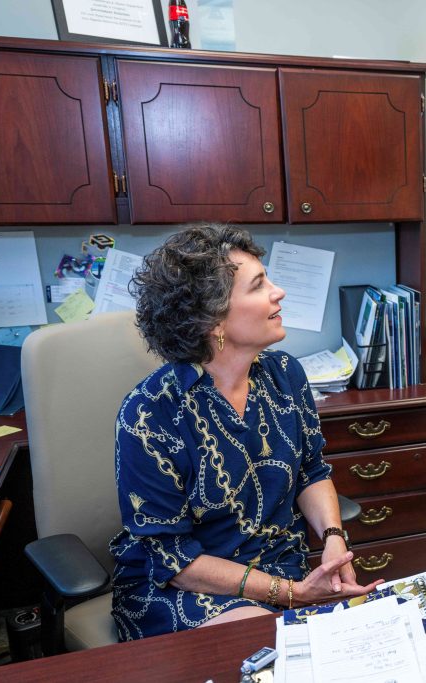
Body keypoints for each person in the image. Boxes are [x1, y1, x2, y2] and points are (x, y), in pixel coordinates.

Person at [110, 224, 381, 640]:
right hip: (183, 588)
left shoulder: (285, 374)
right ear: (211, 319)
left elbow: (312, 472)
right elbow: (176, 562)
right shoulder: (150, 414)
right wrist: (293, 594)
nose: (279, 292)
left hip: (282, 569)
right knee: (274, 646)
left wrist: (333, 539)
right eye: (258, 285)